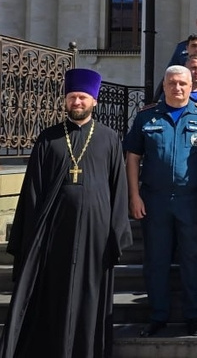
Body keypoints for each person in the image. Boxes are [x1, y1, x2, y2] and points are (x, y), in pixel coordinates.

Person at [0, 68, 132, 358]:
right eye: (72, 97)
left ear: (94, 101)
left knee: (88, 295)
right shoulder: (48, 139)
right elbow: (32, 189)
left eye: (83, 97)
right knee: (53, 294)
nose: (77, 102)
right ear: (65, 100)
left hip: (94, 237)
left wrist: (117, 232)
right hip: (54, 233)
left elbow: (118, 189)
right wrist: (29, 236)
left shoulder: (109, 139)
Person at [125, 65, 197, 338]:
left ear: (191, 87)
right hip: (155, 200)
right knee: (156, 260)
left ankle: (193, 317)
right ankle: (157, 316)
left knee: (193, 260)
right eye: (172, 84)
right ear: (164, 86)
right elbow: (133, 157)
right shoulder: (146, 117)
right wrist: (134, 195)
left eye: (182, 84)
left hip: (192, 201)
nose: (177, 88)